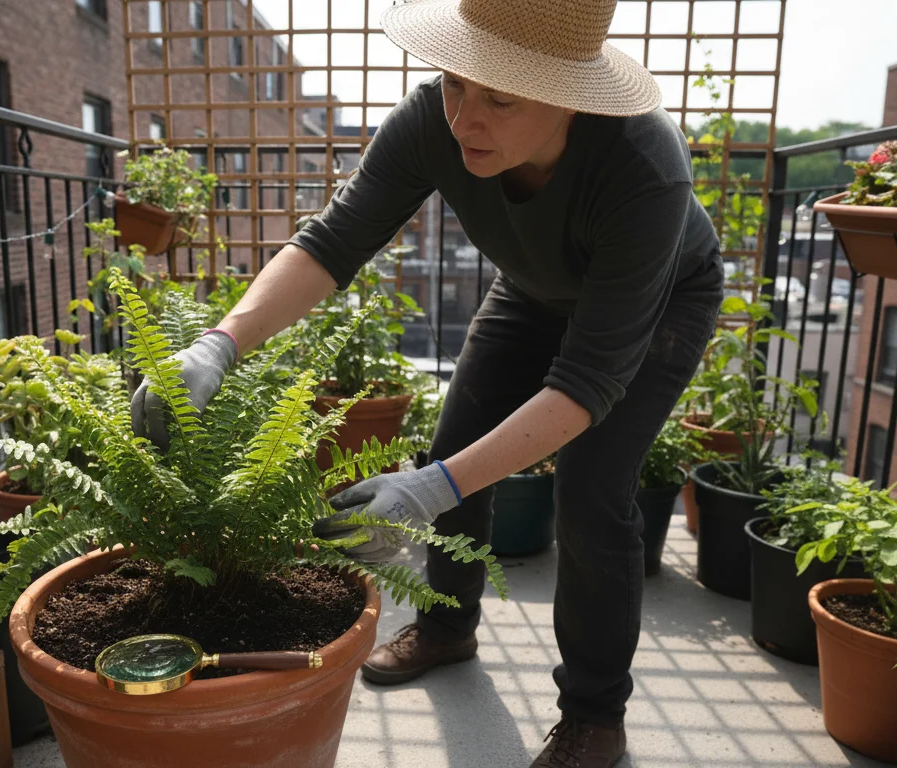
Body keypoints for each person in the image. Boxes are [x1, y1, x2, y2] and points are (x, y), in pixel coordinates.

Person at [132, 0, 722, 765]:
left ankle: (595, 713)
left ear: (571, 96)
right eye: (453, 84)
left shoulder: (645, 169)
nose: (463, 119)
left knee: (593, 490)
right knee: (456, 443)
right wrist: (218, 345)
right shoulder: (429, 121)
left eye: (499, 99)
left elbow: (586, 382)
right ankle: (448, 627)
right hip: (533, 289)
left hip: (658, 305)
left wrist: (428, 489)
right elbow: (332, 242)